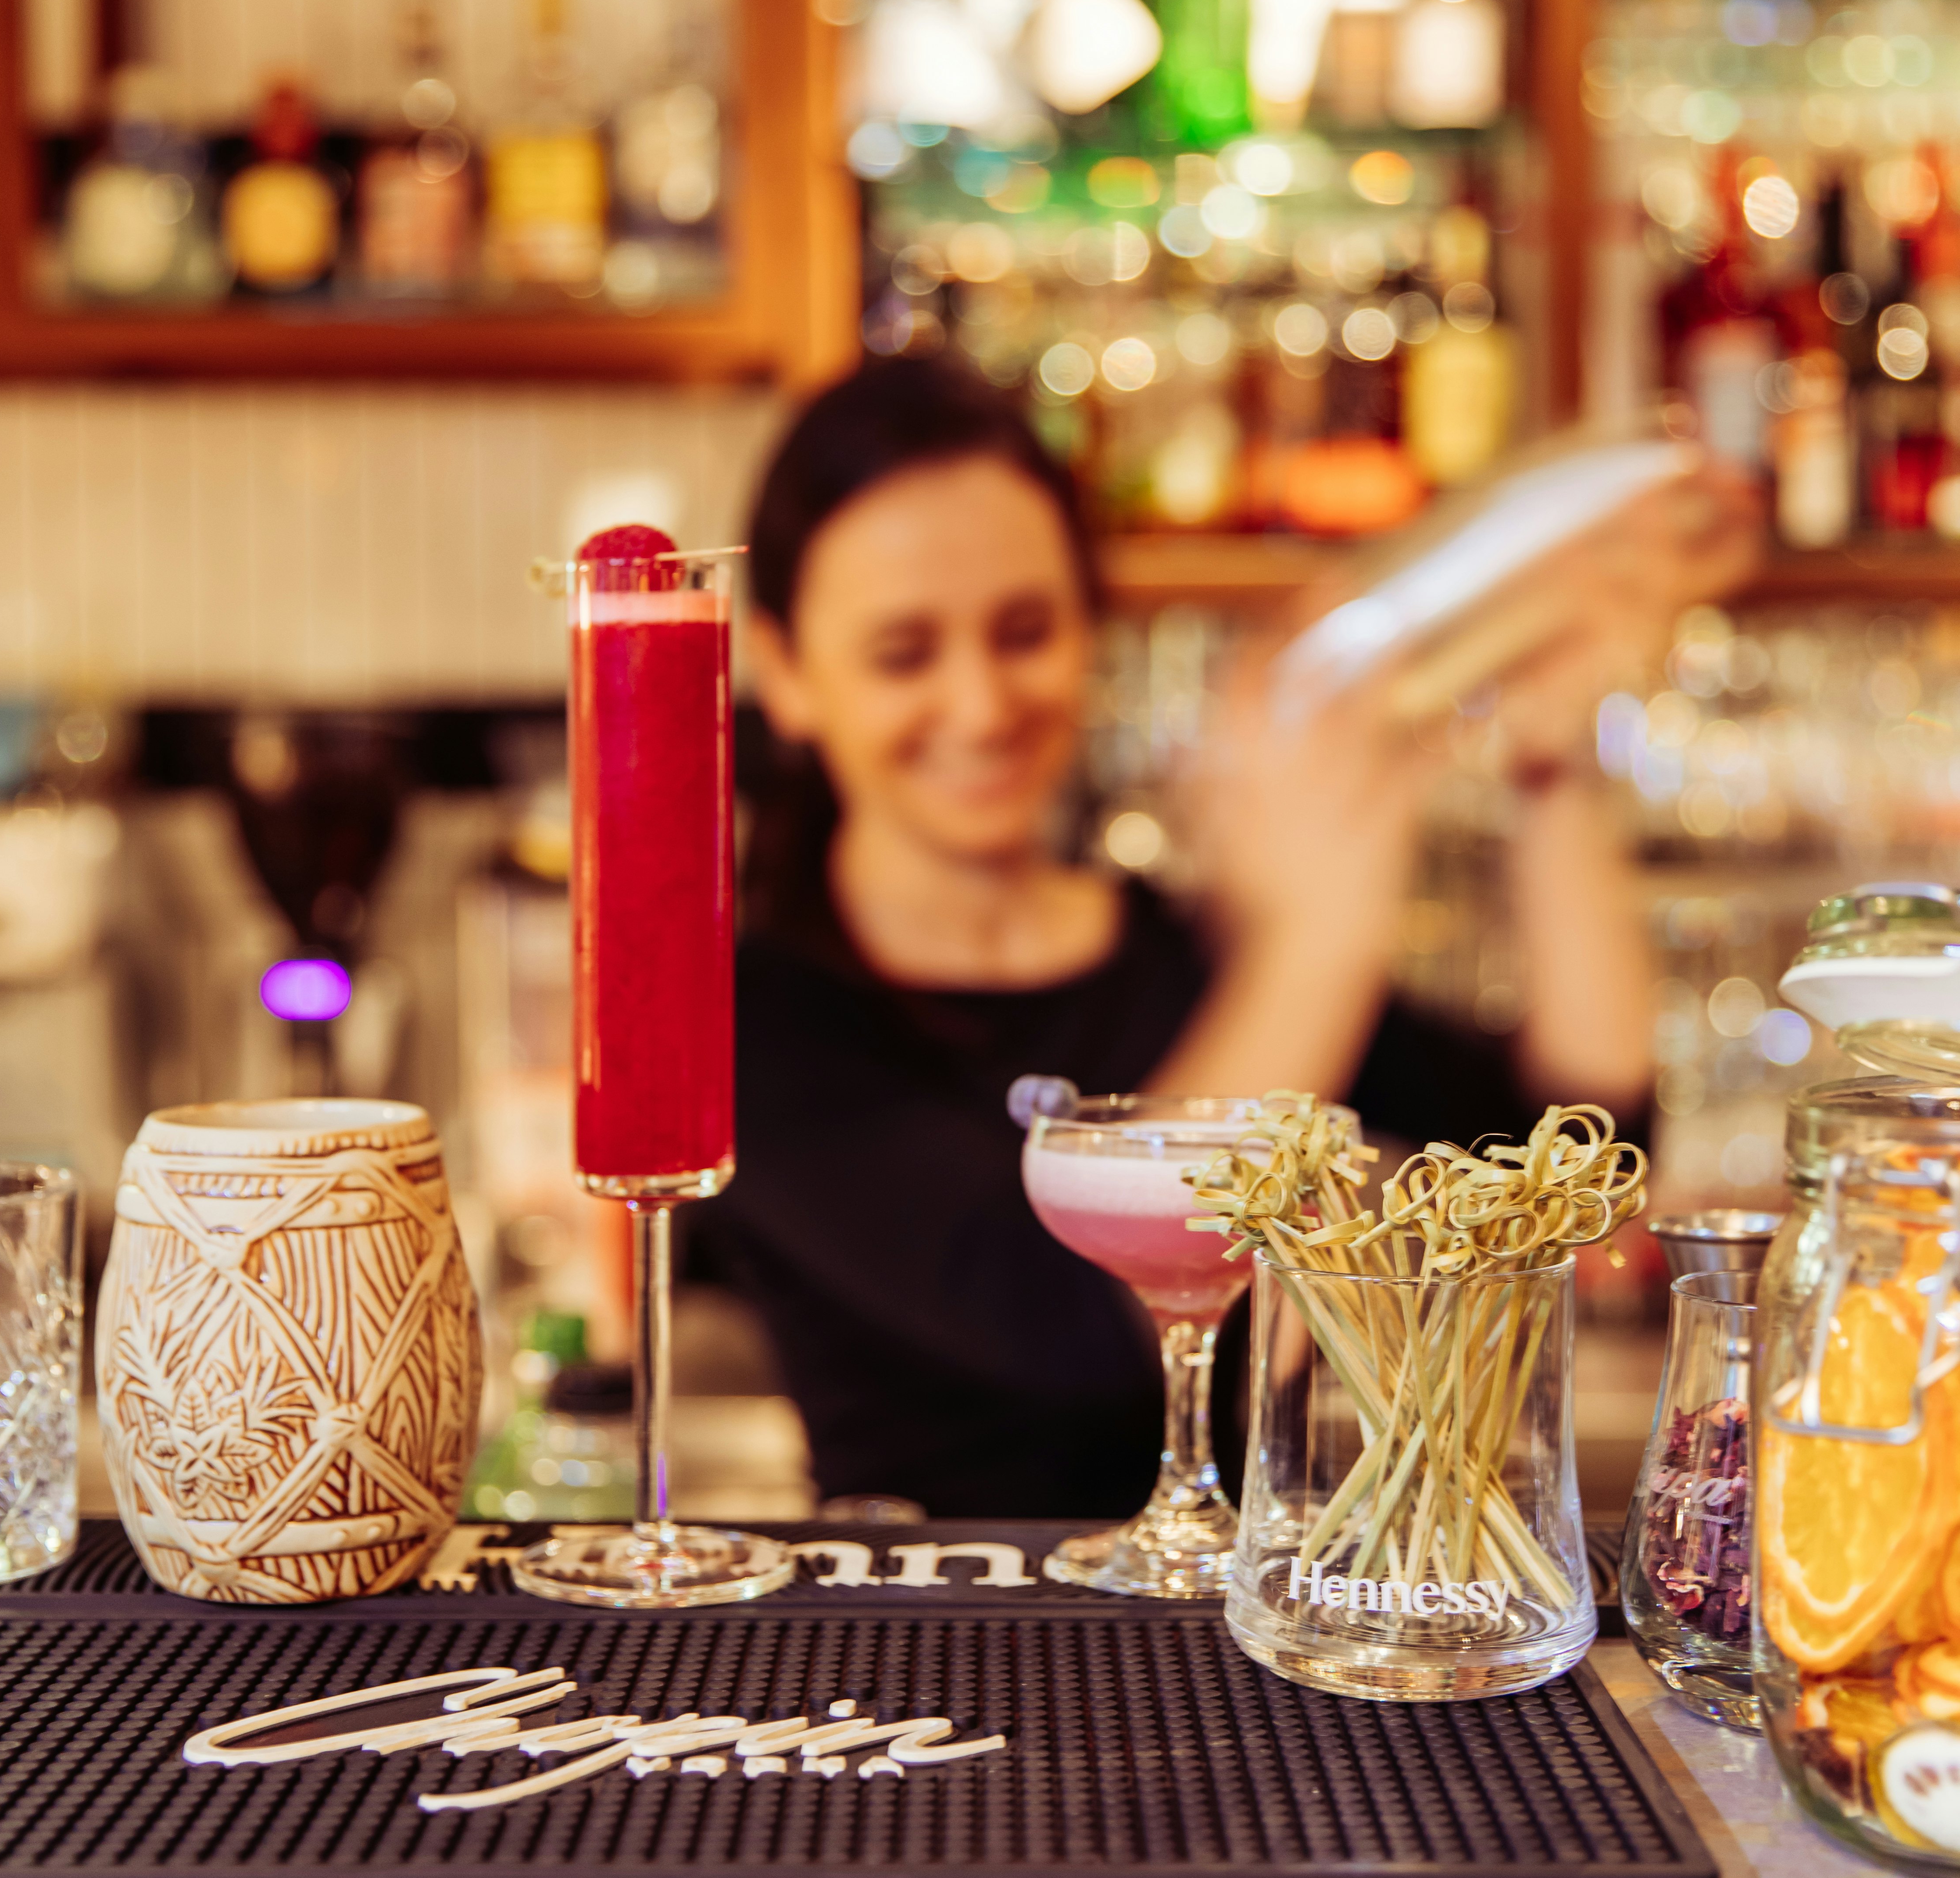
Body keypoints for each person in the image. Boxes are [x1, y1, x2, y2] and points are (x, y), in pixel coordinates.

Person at [692, 358, 1759, 1520]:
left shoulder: (1182, 954)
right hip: (918, 1654)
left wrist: (1551, 759)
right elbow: (1084, 1337)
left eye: (1025, 631)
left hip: (1218, 1669)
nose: (982, 703)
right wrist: (1315, 934)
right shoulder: (753, 1023)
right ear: (787, 674)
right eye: (905, 654)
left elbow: (1584, 1143)